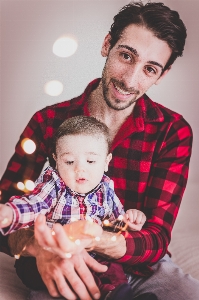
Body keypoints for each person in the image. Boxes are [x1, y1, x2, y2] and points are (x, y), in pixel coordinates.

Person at [0, 1, 199, 300]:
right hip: (62, 255)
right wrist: (39, 248)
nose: (130, 80)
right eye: (126, 55)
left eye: (149, 69)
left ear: (162, 75)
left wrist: (98, 238)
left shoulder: (173, 131)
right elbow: (5, 210)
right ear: (108, 44)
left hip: (139, 264)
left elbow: (157, 238)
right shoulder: (47, 121)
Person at [0, 115, 150, 299]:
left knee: (112, 270)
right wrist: (9, 212)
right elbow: (34, 205)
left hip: (91, 253)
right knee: (35, 268)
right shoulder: (54, 185)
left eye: (91, 161)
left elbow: (115, 225)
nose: (80, 169)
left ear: (106, 162)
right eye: (69, 162)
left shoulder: (106, 190)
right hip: (51, 252)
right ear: (56, 160)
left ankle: (116, 294)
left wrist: (130, 221)